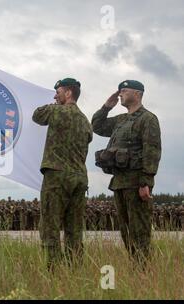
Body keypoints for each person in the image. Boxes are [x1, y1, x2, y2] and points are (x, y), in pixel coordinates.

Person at [92, 80, 161, 266]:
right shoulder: (121, 120)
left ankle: (142, 270)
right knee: (125, 231)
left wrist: (146, 181)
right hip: (119, 182)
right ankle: (136, 267)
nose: (120, 94)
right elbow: (97, 126)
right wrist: (106, 107)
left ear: (137, 94)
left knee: (140, 230)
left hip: (136, 182)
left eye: (124, 90)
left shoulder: (148, 119)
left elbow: (152, 151)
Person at [32, 78, 92, 270]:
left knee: (50, 227)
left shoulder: (56, 111)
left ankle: (54, 272)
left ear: (68, 93)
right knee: (74, 230)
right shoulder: (85, 121)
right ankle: (75, 270)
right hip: (80, 178)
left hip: (57, 177)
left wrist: (55, 104)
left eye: (58, 91)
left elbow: (37, 115)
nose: (55, 95)